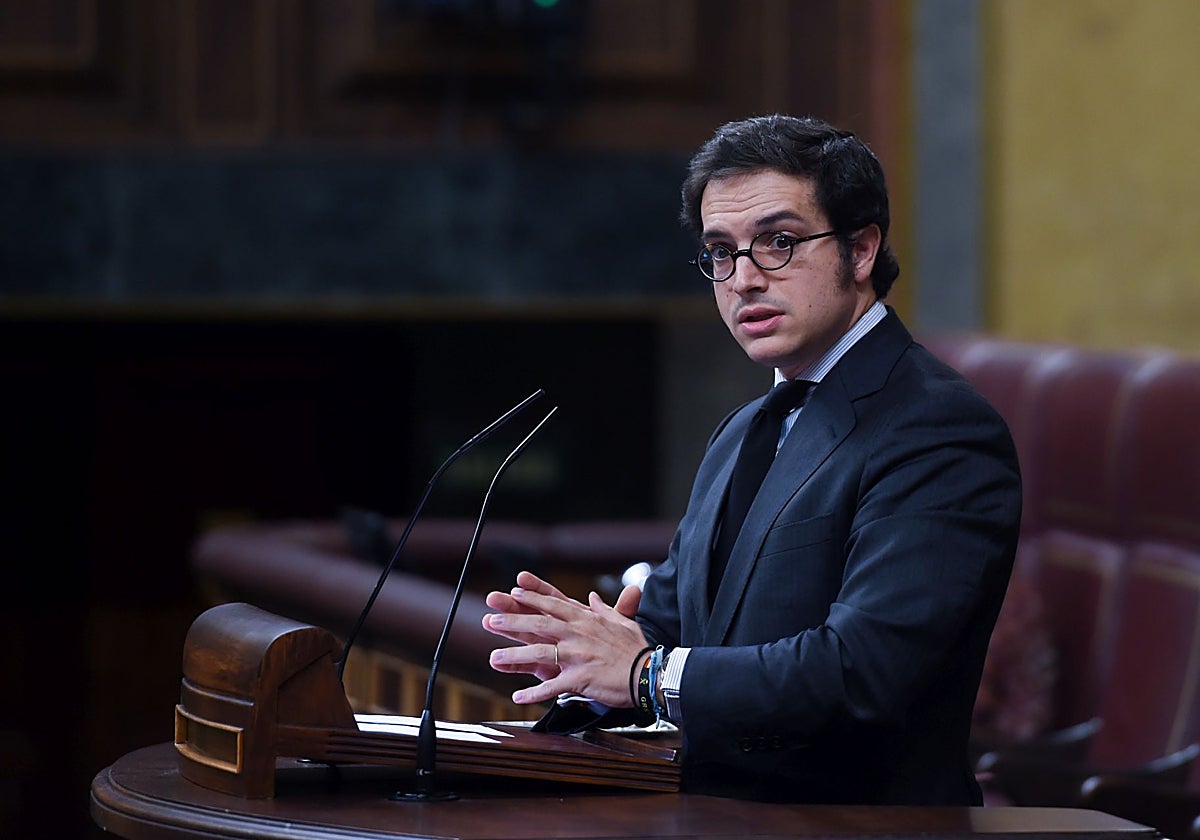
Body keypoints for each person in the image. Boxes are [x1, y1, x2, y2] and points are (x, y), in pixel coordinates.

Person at [481, 114, 1022, 805]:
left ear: (860, 250)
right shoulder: (745, 429)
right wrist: (586, 661)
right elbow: (673, 624)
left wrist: (646, 675)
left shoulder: (938, 427)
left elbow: (866, 670)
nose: (742, 280)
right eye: (720, 252)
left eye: (779, 243)